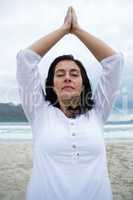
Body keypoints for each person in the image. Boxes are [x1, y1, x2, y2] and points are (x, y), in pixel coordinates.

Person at [16, 6, 124, 200]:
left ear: (83, 85)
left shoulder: (98, 112)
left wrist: (78, 31)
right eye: (60, 74)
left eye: (74, 74)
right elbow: (25, 60)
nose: (67, 78)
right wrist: (64, 30)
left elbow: (114, 62)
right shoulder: (39, 112)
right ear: (52, 85)